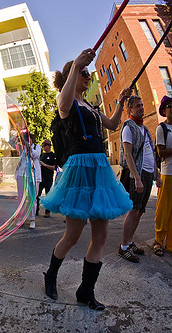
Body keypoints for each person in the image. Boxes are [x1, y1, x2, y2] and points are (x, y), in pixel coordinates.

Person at [40, 49, 132, 311]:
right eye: (84, 73)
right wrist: (77, 63)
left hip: (98, 169)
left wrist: (121, 102)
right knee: (72, 235)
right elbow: (64, 106)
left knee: (100, 236)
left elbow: (113, 125)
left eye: (87, 74)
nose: (88, 77)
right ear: (73, 74)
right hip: (80, 171)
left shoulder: (91, 106)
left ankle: (85, 290)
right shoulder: (66, 99)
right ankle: (51, 275)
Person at [118, 93, 161, 263]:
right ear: (130, 110)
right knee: (134, 210)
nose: (142, 108)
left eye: (142, 105)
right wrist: (136, 178)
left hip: (149, 173)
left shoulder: (144, 128)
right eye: (138, 106)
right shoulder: (129, 127)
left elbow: (150, 151)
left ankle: (129, 242)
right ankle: (123, 247)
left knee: (140, 211)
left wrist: (156, 175)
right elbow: (128, 155)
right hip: (138, 173)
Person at [154, 95, 172, 256]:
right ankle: (158, 241)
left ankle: (171, 244)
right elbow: (160, 152)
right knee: (163, 210)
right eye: (169, 106)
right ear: (164, 111)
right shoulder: (162, 128)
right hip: (167, 173)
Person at [14, 132, 41, 229]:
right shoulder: (21, 148)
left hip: (33, 176)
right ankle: (21, 218)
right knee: (22, 198)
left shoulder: (37, 147)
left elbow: (35, 155)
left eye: (27, 138)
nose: (25, 141)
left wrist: (28, 146)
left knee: (32, 198)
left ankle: (32, 219)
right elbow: (11, 142)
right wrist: (17, 135)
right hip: (22, 175)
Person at [37, 139, 57, 218]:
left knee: (48, 195)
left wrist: (45, 165)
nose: (44, 147)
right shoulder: (42, 155)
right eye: (43, 146)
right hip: (41, 177)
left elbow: (54, 167)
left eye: (45, 146)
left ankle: (47, 212)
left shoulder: (52, 155)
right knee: (37, 194)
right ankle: (36, 210)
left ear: (49, 146)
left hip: (48, 178)